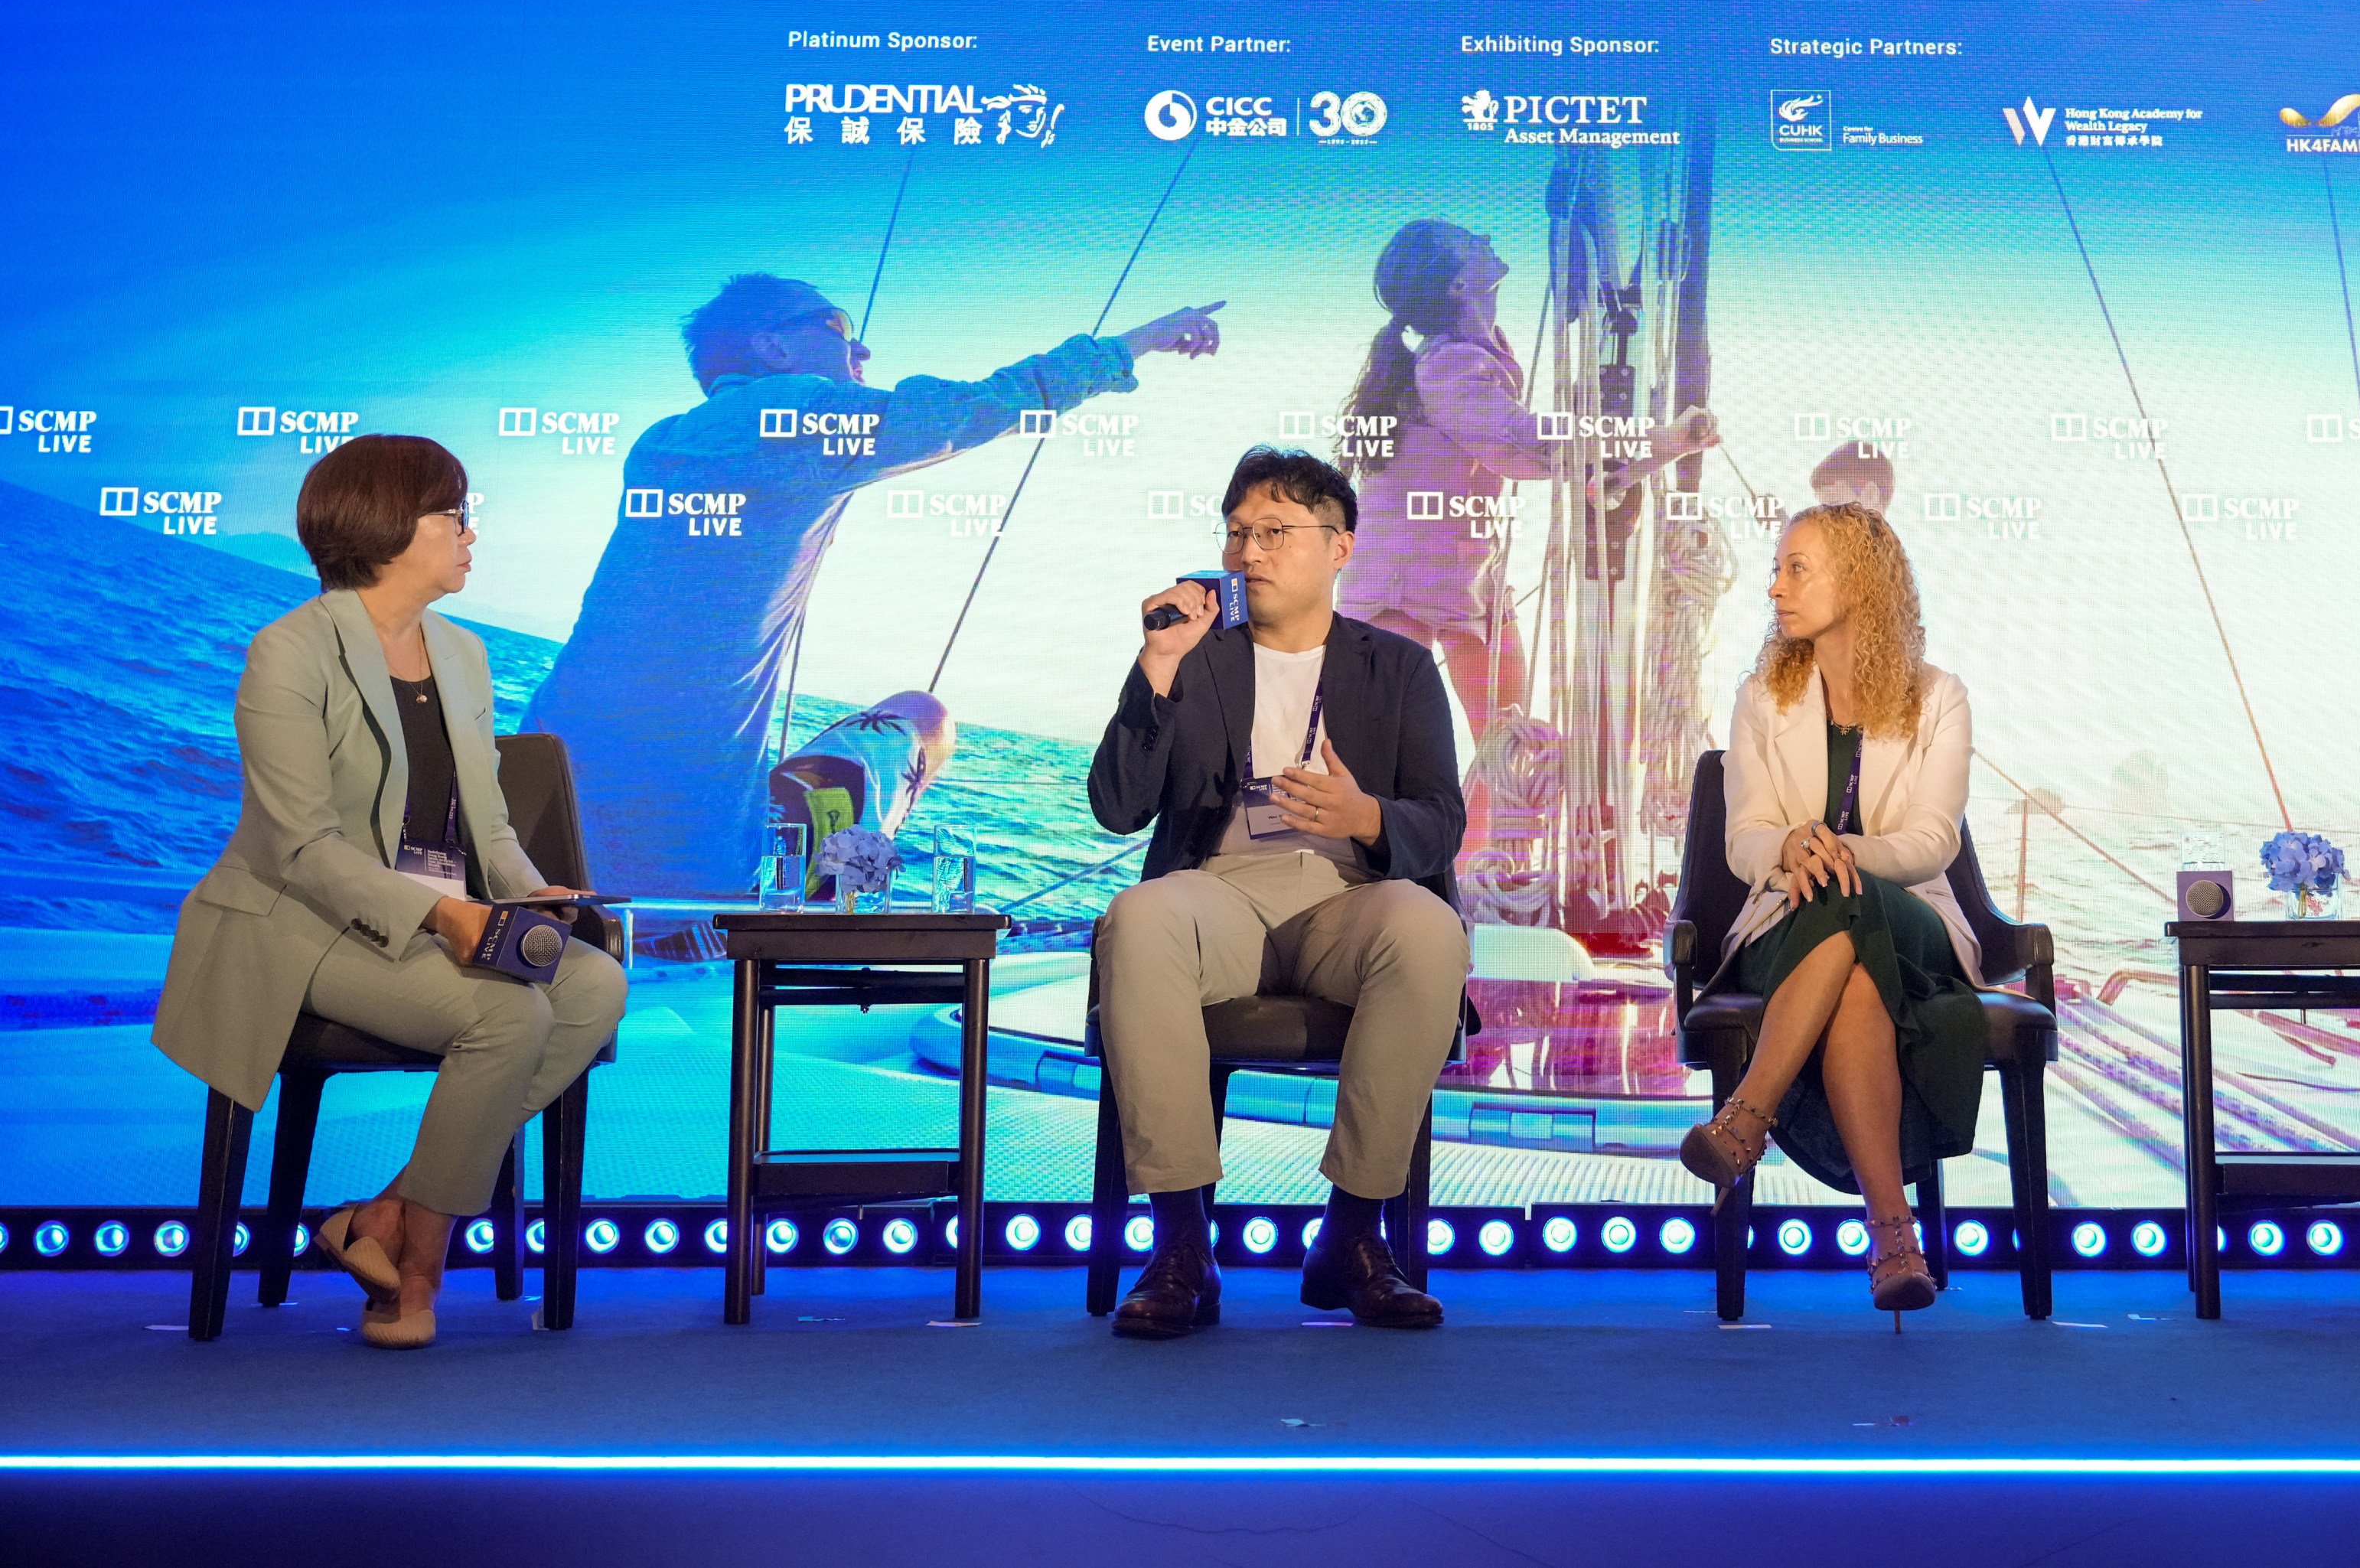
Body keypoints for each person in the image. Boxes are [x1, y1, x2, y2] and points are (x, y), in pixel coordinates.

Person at [525, 272, 1221, 898]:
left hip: (536, 813)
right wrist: (1141, 341)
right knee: (924, 717)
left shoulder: (664, 442)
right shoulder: (797, 417)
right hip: (682, 870)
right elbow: (980, 408)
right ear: (773, 348)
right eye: (839, 330)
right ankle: (829, 918)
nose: (860, 355)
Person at [152, 435, 624, 1348]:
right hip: (301, 922)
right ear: (385, 526)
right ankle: (417, 1273)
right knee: (510, 1019)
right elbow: (304, 850)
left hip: (440, 914)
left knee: (599, 985)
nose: (469, 530)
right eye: (452, 513)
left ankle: (386, 1212)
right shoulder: (288, 652)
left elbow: (487, 827)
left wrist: (533, 896)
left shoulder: (464, 653)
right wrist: (442, 914)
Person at [1085, 447, 1472, 1338]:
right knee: (1139, 919)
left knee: (1427, 929)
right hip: (1220, 886)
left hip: (1347, 889)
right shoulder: (1193, 657)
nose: (1248, 552)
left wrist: (1366, 813)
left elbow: (1440, 821)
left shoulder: (1401, 668)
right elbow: (1117, 807)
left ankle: (1353, 1239)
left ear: (1338, 548)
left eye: (1273, 532)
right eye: (1237, 534)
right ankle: (1182, 1246)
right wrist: (1155, 671)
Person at [1679, 503, 1992, 1321]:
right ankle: (1894, 1239)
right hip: (1786, 921)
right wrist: (1789, 847)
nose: (1775, 588)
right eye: (1778, 569)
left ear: (1859, 582)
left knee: (1852, 903)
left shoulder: (1939, 697)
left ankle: (1747, 1114)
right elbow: (1743, 837)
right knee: (1853, 975)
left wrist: (1844, 853)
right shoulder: (1762, 697)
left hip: (1915, 921)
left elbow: (1931, 841)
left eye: (1796, 569)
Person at [1337, 218, 1713, 732]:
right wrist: (1660, 439)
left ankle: (1494, 818)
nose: (1486, 238)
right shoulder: (1447, 366)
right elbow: (1526, 444)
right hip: (1398, 588)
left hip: (1468, 578)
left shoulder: (1480, 354)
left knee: (1510, 748)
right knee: (1377, 757)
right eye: (1469, 241)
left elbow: (1547, 455)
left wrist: (1652, 454)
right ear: (1458, 285)